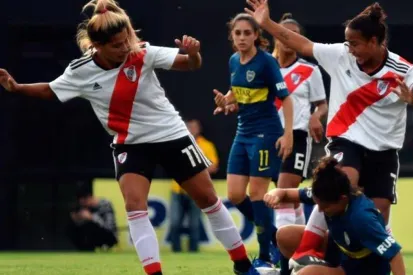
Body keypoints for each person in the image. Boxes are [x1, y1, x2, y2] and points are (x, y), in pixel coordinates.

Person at [0, 1, 259, 274]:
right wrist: (16, 87)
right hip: (131, 143)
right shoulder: (81, 70)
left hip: (171, 135)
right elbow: (50, 90)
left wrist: (193, 53)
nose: (125, 48)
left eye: (126, 40)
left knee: (208, 200)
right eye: (117, 45)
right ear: (97, 46)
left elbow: (190, 64)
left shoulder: (142, 52)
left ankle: (243, 266)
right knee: (135, 207)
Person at [245, 0, 413, 264]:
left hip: (384, 152)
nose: (350, 48)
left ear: (375, 41)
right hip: (346, 141)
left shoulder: (402, 70)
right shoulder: (341, 55)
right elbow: (300, 43)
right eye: (347, 42)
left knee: (374, 221)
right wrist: (266, 23)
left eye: (355, 43)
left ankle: (354, 264)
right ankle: (306, 251)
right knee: (340, 186)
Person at [213, 13, 294, 269]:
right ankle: (277, 241)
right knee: (236, 195)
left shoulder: (267, 62)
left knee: (257, 195)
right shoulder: (234, 60)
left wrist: (288, 133)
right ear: (232, 36)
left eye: (247, 33)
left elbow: (287, 98)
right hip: (243, 132)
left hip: (265, 133)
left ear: (257, 35)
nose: (242, 38)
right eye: (238, 33)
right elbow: (237, 91)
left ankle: (266, 257)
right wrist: (226, 101)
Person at [264, 157, 407, 275]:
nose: (320, 210)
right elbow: (285, 193)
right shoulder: (326, 192)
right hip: (339, 250)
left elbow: (395, 255)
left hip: (359, 270)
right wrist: (274, 194)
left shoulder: (362, 219)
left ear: (343, 199)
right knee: (285, 235)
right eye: (318, 204)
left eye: (325, 206)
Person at [271, 13, 328, 275]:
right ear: (275, 36)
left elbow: (322, 104)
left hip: (297, 136)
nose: (287, 39)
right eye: (283, 34)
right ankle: (301, 254)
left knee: (284, 192)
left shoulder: (309, 70)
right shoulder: (264, 66)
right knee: (285, 200)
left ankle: (283, 264)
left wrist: (316, 116)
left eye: (293, 34)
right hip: (266, 135)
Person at [169, 119, 219, 253]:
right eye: (188, 127)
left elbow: (214, 166)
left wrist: (193, 168)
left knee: (195, 223)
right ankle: (176, 251)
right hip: (177, 189)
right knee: (174, 222)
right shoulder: (177, 144)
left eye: (194, 127)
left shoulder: (207, 145)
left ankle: (193, 251)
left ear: (199, 129)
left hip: (197, 189)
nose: (191, 129)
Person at [67, 187, 118, 251]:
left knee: (90, 226)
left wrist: (92, 217)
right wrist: (76, 219)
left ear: (89, 197)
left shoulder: (105, 204)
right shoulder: (85, 207)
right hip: (92, 237)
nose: (84, 205)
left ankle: (102, 247)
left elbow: (109, 227)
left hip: (109, 236)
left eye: (84, 202)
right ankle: (83, 249)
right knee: (70, 228)